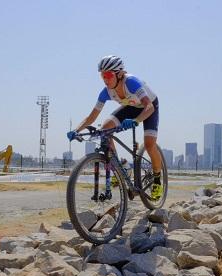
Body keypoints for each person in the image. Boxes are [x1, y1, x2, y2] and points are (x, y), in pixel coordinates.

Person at [67, 55, 163, 200]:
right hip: (130, 106)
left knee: (149, 145)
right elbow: (91, 117)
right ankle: (121, 166)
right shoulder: (106, 92)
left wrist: (136, 121)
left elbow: (148, 107)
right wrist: (76, 130)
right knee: (105, 128)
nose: (105, 79)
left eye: (108, 75)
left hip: (148, 107)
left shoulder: (131, 82)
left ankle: (157, 179)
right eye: (102, 76)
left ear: (119, 74)